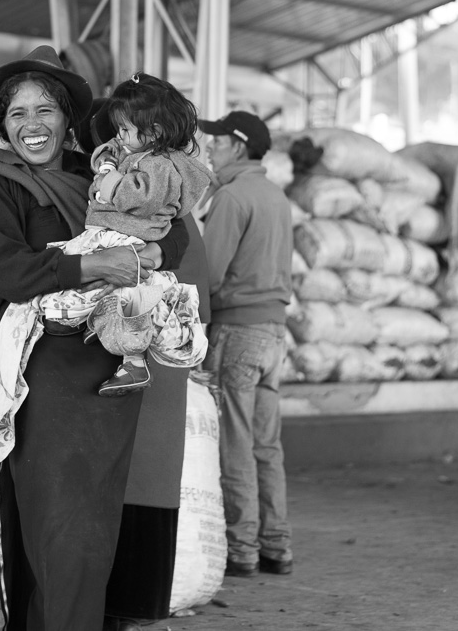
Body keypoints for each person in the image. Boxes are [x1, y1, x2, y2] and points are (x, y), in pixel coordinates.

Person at [0, 45, 190, 631]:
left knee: (92, 524)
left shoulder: (103, 168)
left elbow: (178, 226)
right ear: (1, 123)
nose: (31, 125)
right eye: (16, 113)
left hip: (112, 361)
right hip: (42, 367)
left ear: (67, 116)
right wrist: (98, 267)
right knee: (55, 524)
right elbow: (8, 271)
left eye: (44, 109)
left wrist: (153, 252)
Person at [73, 99, 214, 631]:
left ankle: (121, 614)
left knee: (129, 501)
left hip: (140, 377)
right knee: (144, 499)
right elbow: (206, 307)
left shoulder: (155, 215)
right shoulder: (180, 215)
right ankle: (130, 613)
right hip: (159, 376)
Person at [52, 72, 212, 396]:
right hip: (116, 236)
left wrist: (110, 184)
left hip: (125, 240)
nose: (119, 138)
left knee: (121, 297)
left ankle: (127, 357)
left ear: (153, 133)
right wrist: (110, 163)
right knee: (110, 291)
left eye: (123, 130)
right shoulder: (135, 154)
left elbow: (143, 198)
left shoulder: (159, 165)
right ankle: (96, 322)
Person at [198, 110, 294, 577]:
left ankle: (241, 550)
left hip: (237, 332)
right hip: (275, 336)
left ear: (237, 147)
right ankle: (276, 544)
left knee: (234, 443)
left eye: (217, 142)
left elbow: (210, 275)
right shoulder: (276, 196)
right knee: (265, 445)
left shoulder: (232, 198)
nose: (210, 149)